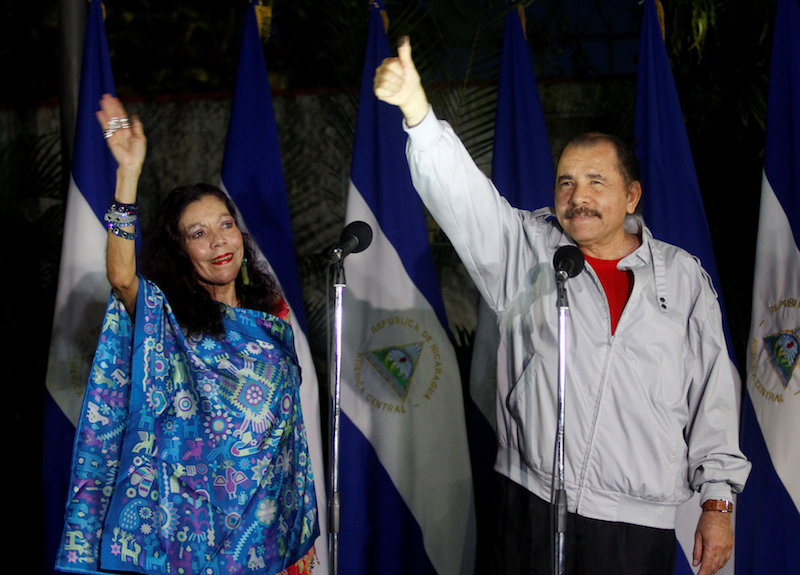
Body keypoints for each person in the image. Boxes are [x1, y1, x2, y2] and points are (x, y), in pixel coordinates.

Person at [374, 38, 751, 575]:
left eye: (597, 182)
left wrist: (717, 503)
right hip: (530, 501)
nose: (578, 196)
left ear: (632, 196)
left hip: (634, 522)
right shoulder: (527, 250)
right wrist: (418, 114)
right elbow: (461, 198)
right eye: (567, 182)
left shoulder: (684, 278)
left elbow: (712, 396)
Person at [55, 94, 319, 575]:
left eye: (225, 225)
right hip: (192, 545)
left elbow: (285, 447)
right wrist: (128, 174)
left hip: (272, 541)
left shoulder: (271, 323)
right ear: (180, 253)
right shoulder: (167, 324)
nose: (219, 240)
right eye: (197, 234)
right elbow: (120, 277)